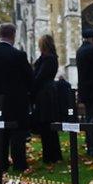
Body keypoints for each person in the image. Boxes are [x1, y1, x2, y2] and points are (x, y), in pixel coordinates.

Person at [0, 23, 34, 172]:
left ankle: (0, 163)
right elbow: (29, 78)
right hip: (17, 102)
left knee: (0, 133)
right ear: (13, 35)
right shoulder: (18, 55)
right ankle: (19, 163)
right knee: (18, 134)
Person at [30, 34, 63, 163]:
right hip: (45, 93)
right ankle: (51, 154)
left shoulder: (49, 59)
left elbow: (39, 77)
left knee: (47, 125)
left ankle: (51, 155)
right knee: (46, 125)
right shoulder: (47, 58)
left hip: (45, 94)